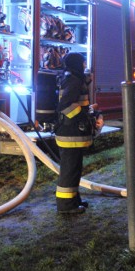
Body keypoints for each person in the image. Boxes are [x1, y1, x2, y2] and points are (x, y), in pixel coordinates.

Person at [55, 52, 94, 214]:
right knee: (70, 170)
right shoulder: (73, 80)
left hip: (71, 133)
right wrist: (82, 117)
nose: (85, 66)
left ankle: (74, 200)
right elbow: (65, 105)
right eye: (83, 63)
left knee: (75, 169)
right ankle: (65, 206)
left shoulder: (74, 78)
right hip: (70, 133)